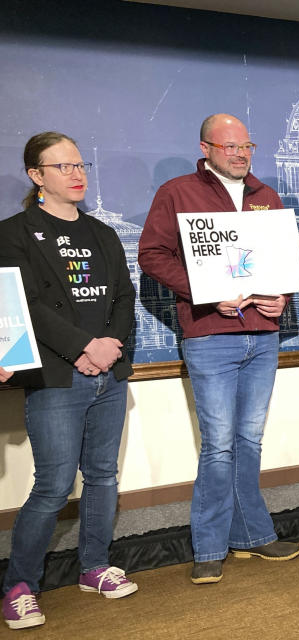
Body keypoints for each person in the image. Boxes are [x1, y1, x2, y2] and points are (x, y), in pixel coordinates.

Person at [138, 113, 299, 585]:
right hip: (210, 335)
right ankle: (208, 546)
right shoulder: (177, 192)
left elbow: (282, 261)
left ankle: (251, 533)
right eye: (230, 146)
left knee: (249, 441)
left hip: (263, 336)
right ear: (205, 148)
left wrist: (282, 296)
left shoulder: (265, 197)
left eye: (247, 146)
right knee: (218, 447)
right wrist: (205, 290)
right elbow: (151, 255)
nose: (241, 154)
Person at [0, 132, 138, 630]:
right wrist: (83, 348)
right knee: (54, 484)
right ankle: (19, 585)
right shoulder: (14, 233)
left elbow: (123, 295)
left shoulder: (101, 232)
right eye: (63, 167)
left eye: (80, 165)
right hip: (59, 376)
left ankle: (94, 566)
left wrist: (110, 348)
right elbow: (26, 305)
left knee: (103, 475)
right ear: (37, 175)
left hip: (109, 373)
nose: (76, 174)